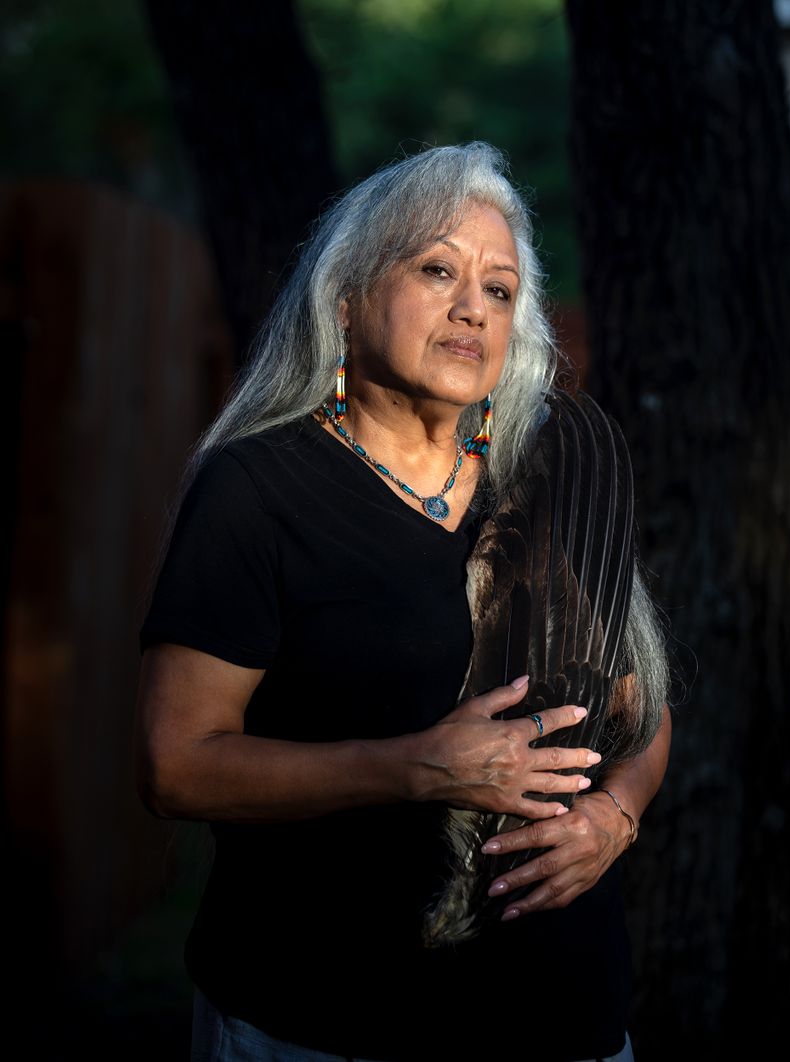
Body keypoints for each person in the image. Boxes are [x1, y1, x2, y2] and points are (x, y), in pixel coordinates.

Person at [134, 141, 671, 1062]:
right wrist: (414, 768)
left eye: (499, 290)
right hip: (327, 1021)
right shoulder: (257, 490)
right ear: (345, 300)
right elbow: (177, 765)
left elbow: (642, 715)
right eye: (437, 270)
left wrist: (612, 820)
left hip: (562, 1024)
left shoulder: (548, 486)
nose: (473, 307)